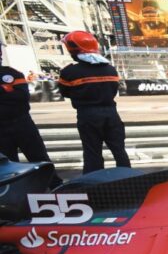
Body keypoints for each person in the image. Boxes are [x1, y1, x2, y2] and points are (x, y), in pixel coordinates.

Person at [58, 31, 131, 175]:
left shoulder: (70, 72)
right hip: (111, 113)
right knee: (119, 150)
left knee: (92, 152)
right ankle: (129, 178)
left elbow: (65, 92)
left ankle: (93, 185)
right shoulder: (110, 69)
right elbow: (114, 90)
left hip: (88, 115)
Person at [0, 38, 63, 187]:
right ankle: (15, 193)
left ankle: (56, 187)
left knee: (39, 157)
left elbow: (21, 97)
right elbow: (14, 97)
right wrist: (6, 91)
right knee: (8, 164)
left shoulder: (12, 74)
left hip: (22, 123)